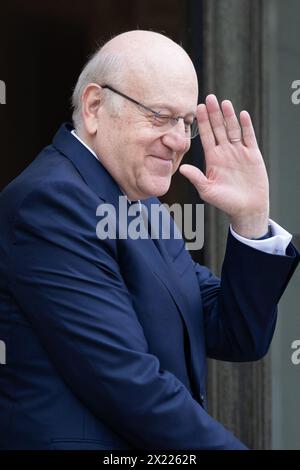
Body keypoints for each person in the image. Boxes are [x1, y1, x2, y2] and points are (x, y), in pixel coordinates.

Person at [0, 30, 298, 451]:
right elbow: (127, 382)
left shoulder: (140, 201)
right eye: (159, 116)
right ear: (94, 107)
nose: (179, 141)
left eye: (186, 123)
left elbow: (234, 334)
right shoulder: (51, 202)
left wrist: (250, 220)